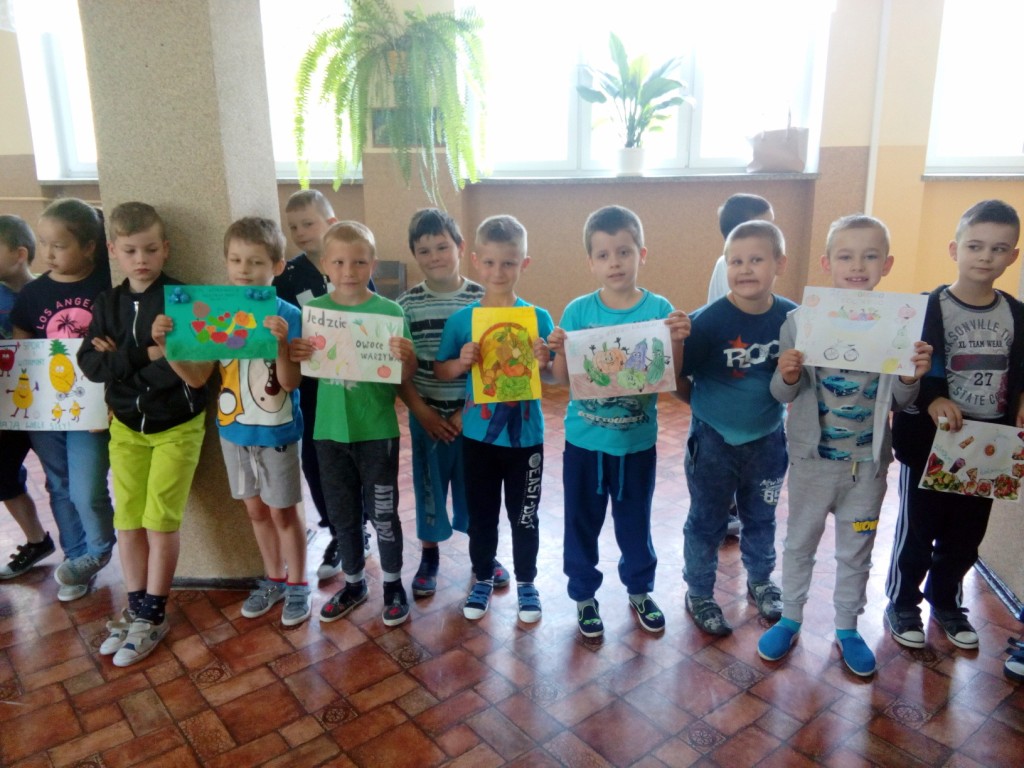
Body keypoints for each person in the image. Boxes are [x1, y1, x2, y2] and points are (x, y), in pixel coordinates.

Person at [757, 215, 932, 676]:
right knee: (799, 543)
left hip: (867, 469)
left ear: (886, 264)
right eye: (846, 256)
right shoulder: (800, 322)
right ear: (827, 263)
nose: (857, 266)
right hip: (813, 463)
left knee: (856, 551)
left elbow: (902, 401)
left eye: (870, 256)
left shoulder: (899, 324)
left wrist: (911, 377)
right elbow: (782, 394)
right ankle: (790, 617)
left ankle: (847, 627)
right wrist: (788, 374)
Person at [885, 199, 1024, 651]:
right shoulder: (926, 308)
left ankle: (946, 599)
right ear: (954, 249)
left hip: (989, 445)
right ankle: (903, 602)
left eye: (998, 249)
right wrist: (932, 398)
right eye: (975, 246)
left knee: (966, 536)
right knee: (918, 531)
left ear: (1013, 256)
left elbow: (1021, 371)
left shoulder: (1017, 314)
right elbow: (908, 369)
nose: (985, 257)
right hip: (931, 443)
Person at [158, 217, 310, 626]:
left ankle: (299, 583)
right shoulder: (217, 313)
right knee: (256, 512)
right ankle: (274, 578)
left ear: (276, 267)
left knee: (284, 512)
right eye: (236, 260)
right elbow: (197, 378)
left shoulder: (288, 315)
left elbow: (291, 383)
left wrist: (282, 343)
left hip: (277, 431)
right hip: (234, 433)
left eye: (256, 262)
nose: (244, 269)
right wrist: (168, 346)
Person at [547, 205, 690, 637]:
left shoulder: (660, 308)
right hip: (584, 444)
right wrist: (556, 350)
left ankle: (640, 590)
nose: (615, 262)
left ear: (641, 254)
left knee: (635, 523)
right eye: (604, 255)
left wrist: (678, 338)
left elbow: (671, 376)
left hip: (636, 445)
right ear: (591, 262)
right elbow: (560, 379)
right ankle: (583, 595)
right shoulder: (577, 311)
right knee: (580, 523)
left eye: (624, 252)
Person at [79, 202, 208, 666]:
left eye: (151, 249)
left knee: (159, 520)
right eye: (131, 250)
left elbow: (191, 374)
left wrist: (135, 359)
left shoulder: (183, 300)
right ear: (113, 250)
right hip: (126, 428)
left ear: (165, 249)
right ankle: (135, 608)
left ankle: (153, 614)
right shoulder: (106, 303)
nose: (141, 259)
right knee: (128, 521)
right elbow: (90, 365)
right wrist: (145, 353)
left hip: (177, 426)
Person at [289, 221, 416, 627]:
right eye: (339, 262)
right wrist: (296, 352)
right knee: (343, 514)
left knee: (384, 513)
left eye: (359, 262)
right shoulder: (315, 314)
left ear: (372, 264)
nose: (349, 271)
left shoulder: (389, 313)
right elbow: (301, 372)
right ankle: (355, 582)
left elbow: (405, 375)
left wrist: (407, 356)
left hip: (376, 429)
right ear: (325, 264)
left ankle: (393, 584)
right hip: (328, 431)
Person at [435, 215, 555, 623]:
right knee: (482, 514)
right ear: (475, 261)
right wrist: (461, 362)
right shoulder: (462, 320)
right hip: (479, 439)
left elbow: (552, 377)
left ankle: (527, 583)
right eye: (489, 262)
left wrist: (545, 361)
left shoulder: (538, 318)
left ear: (525, 263)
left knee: (525, 516)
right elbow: (441, 371)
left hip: (526, 439)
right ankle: (483, 577)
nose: (498, 272)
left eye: (509, 263)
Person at [680, 220, 795, 636]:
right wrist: (704, 412)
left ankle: (761, 580)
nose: (745, 269)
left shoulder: (793, 318)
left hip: (768, 440)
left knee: (761, 517)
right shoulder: (706, 322)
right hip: (713, 441)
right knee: (706, 521)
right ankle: (699, 592)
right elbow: (678, 379)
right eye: (736, 261)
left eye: (756, 259)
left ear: (779, 263)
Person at [11, 199, 115, 601]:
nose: (49, 254)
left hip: (92, 410)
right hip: (47, 411)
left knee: (87, 488)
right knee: (58, 484)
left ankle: (99, 550)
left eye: (59, 245)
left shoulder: (106, 286)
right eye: (44, 244)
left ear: (89, 246)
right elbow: (23, 354)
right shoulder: (32, 294)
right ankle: (76, 559)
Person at [396, 208, 494, 598]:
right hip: (426, 416)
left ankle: (483, 554)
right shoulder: (405, 306)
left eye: (442, 246)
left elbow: (493, 368)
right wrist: (421, 412)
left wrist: (466, 413)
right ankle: (429, 556)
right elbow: (398, 371)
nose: (434, 256)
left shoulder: (483, 300)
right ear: (414, 255)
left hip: (476, 416)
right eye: (424, 250)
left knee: (477, 488)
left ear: (460, 247)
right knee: (428, 488)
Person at [275, 189, 373, 579]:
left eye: (308, 223)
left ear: (331, 223)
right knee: (316, 463)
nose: (300, 233)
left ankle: (361, 529)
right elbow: (284, 324)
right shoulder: (288, 276)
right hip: (311, 391)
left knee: (359, 459)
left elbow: (373, 322)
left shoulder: (356, 268)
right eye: (293, 227)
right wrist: (292, 345)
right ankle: (337, 532)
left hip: (355, 389)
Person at [706, 194, 774, 539]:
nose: (774, 231)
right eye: (767, 224)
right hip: (734, 363)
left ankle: (734, 509)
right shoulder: (727, 266)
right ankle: (728, 510)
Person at [0, 215, 54, 579]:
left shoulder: (46, 294)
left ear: (19, 254)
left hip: (53, 407)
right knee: (2, 473)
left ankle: (82, 549)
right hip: (10, 408)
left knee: (62, 482)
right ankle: (37, 541)